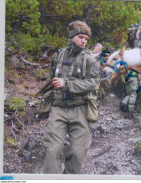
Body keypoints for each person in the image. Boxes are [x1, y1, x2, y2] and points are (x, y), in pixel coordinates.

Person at [42, 20, 99, 174]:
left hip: (80, 109)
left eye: (86, 39)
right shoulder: (58, 55)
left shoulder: (89, 59)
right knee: (53, 149)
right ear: (72, 36)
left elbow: (93, 83)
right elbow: (53, 76)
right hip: (58, 108)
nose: (84, 41)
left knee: (78, 152)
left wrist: (66, 84)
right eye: (81, 37)